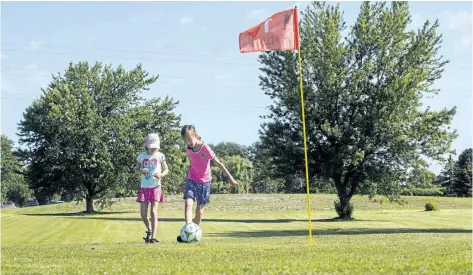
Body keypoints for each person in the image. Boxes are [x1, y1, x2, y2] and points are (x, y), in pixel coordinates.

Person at [177, 125, 238, 243]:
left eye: (189, 139)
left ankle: (193, 232)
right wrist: (185, 180)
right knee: (188, 203)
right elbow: (191, 164)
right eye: (185, 140)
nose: (188, 142)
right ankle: (187, 230)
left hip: (205, 182)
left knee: (199, 211)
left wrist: (231, 178)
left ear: (195, 135)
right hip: (192, 179)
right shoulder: (188, 149)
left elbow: (219, 163)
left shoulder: (205, 148)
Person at [135, 133, 168, 244]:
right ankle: (149, 230)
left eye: (155, 147)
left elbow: (166, 169)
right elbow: (136, 170)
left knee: (153, 211)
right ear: (147, 145)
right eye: (151, 147)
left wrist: (161, 175)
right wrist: (141, 171)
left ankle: (153, 237)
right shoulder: (142, 156)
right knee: (143, 214)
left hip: (156, 186)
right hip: (144, 187)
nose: (154, 149)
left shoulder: (160, 156)